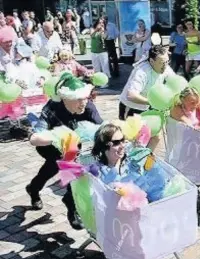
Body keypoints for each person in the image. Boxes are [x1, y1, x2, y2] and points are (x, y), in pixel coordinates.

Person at [26, 72, 102, 230]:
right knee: (54, 166)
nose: (83, 103)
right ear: (65, 98)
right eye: (78, 99)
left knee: (75, 164)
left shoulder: (87, 107)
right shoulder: (52, 107)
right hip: (50, 146)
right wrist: (57, 136)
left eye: (85, 98)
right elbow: (35, 138)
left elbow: (101, 128)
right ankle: (34, 189)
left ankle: (71, 204)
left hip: (75, 146)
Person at [119, 45, 174, 151]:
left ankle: (145, 161)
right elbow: (131, 95)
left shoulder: (165, 67)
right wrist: (153, 102)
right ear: (152, 61)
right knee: (133, 141)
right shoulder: (142, 71)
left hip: (148, 108)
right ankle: (128, 164)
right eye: (162, 63)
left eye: (167, 62)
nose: (165, 66)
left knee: (155, 137)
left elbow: (174, 80)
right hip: (131, 108)